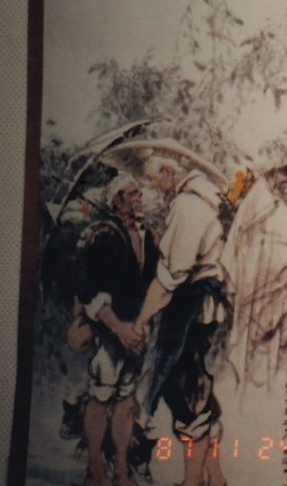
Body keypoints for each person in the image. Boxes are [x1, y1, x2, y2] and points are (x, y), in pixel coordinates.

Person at [134, 156, 228, 486]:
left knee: (183, 390)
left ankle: (192, 481)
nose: (150, 186)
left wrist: (140, 321)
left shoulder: (188, 204)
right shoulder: (201, 198)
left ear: (169, 171)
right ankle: (215, 478)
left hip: (192, 306)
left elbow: (172, 275)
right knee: (196, 385)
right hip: (203, 305)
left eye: (152, 178)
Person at [77, 172, 159, 486]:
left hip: (134, 331)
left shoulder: (147, 236)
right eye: (132, 193)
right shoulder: (103, 234)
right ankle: (95, 469)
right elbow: (89, 289)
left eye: (139, 192)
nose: (139, 198)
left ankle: (122, 471)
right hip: (107, 330)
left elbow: (151, 286)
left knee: (126, 399)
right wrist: (118, 328)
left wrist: (141, 326)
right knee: (101, 394)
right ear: (117, 200)